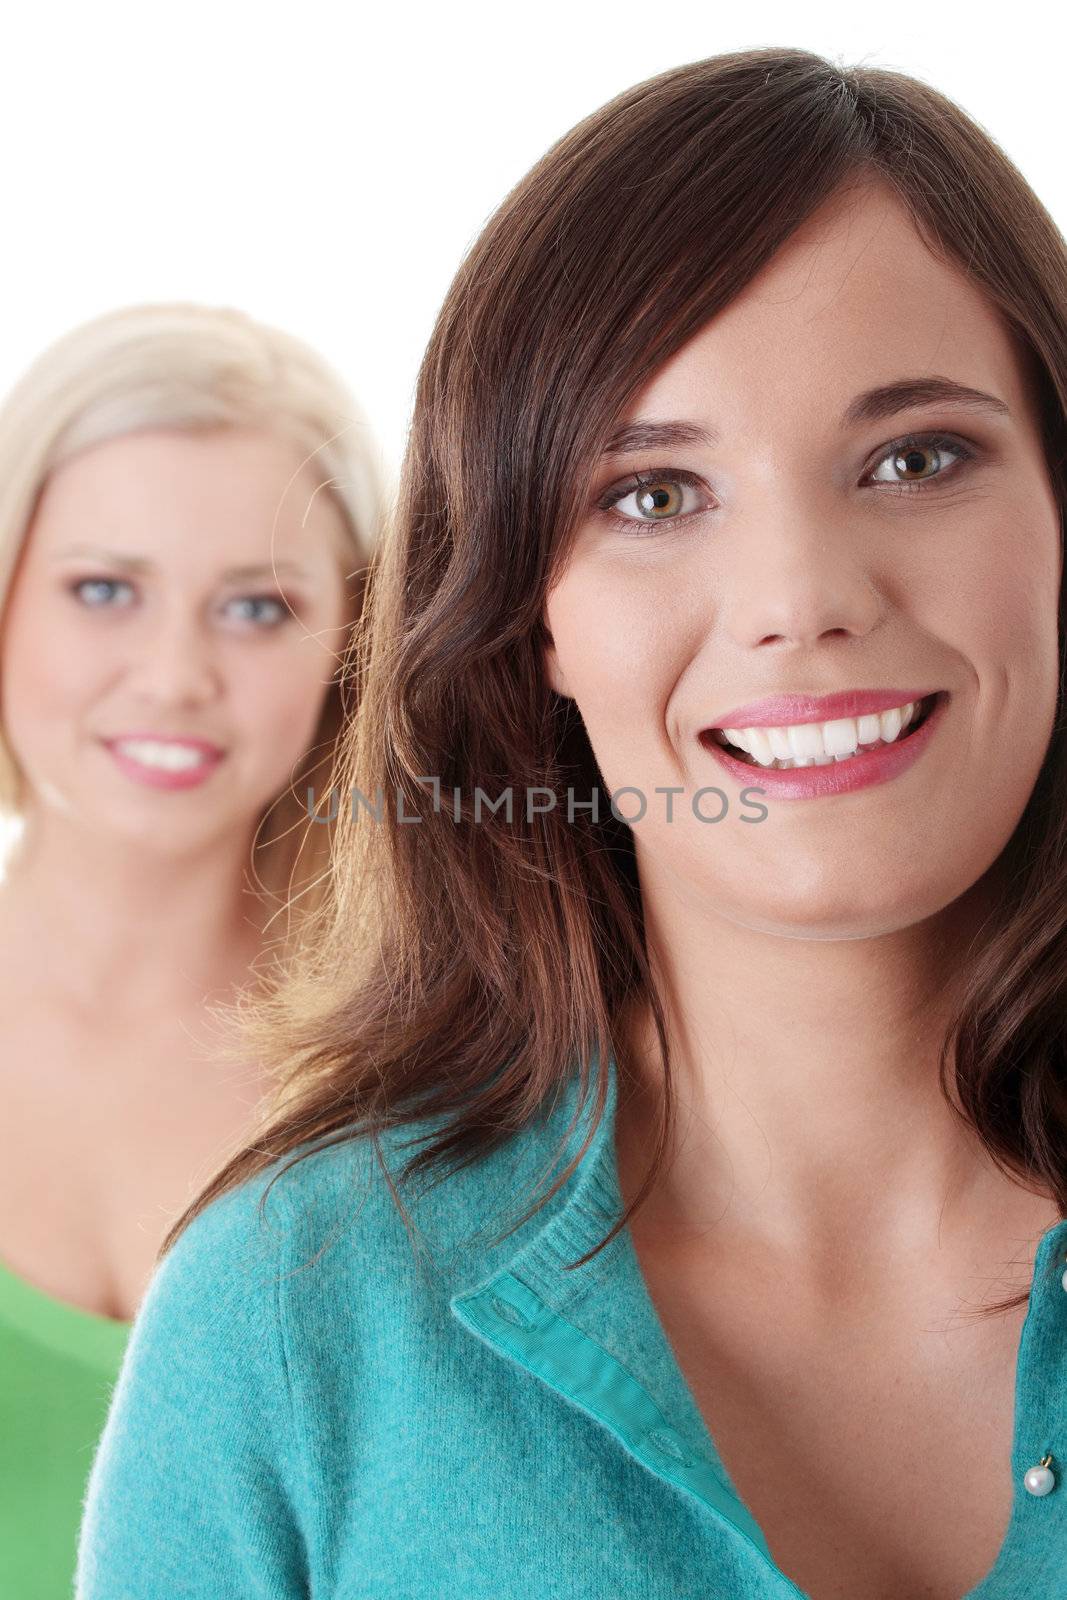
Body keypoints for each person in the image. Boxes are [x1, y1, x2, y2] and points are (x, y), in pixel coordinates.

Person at [77, 48, 1067, 1600]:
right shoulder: (290, 1324)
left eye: (916, 457)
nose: (803, 600)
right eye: (655, 497)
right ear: (532, 621)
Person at [0, 301, 385, 1599]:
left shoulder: (423, 1083)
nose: (173, 675)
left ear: (352, 652)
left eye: (259, 609)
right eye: (104, 590)